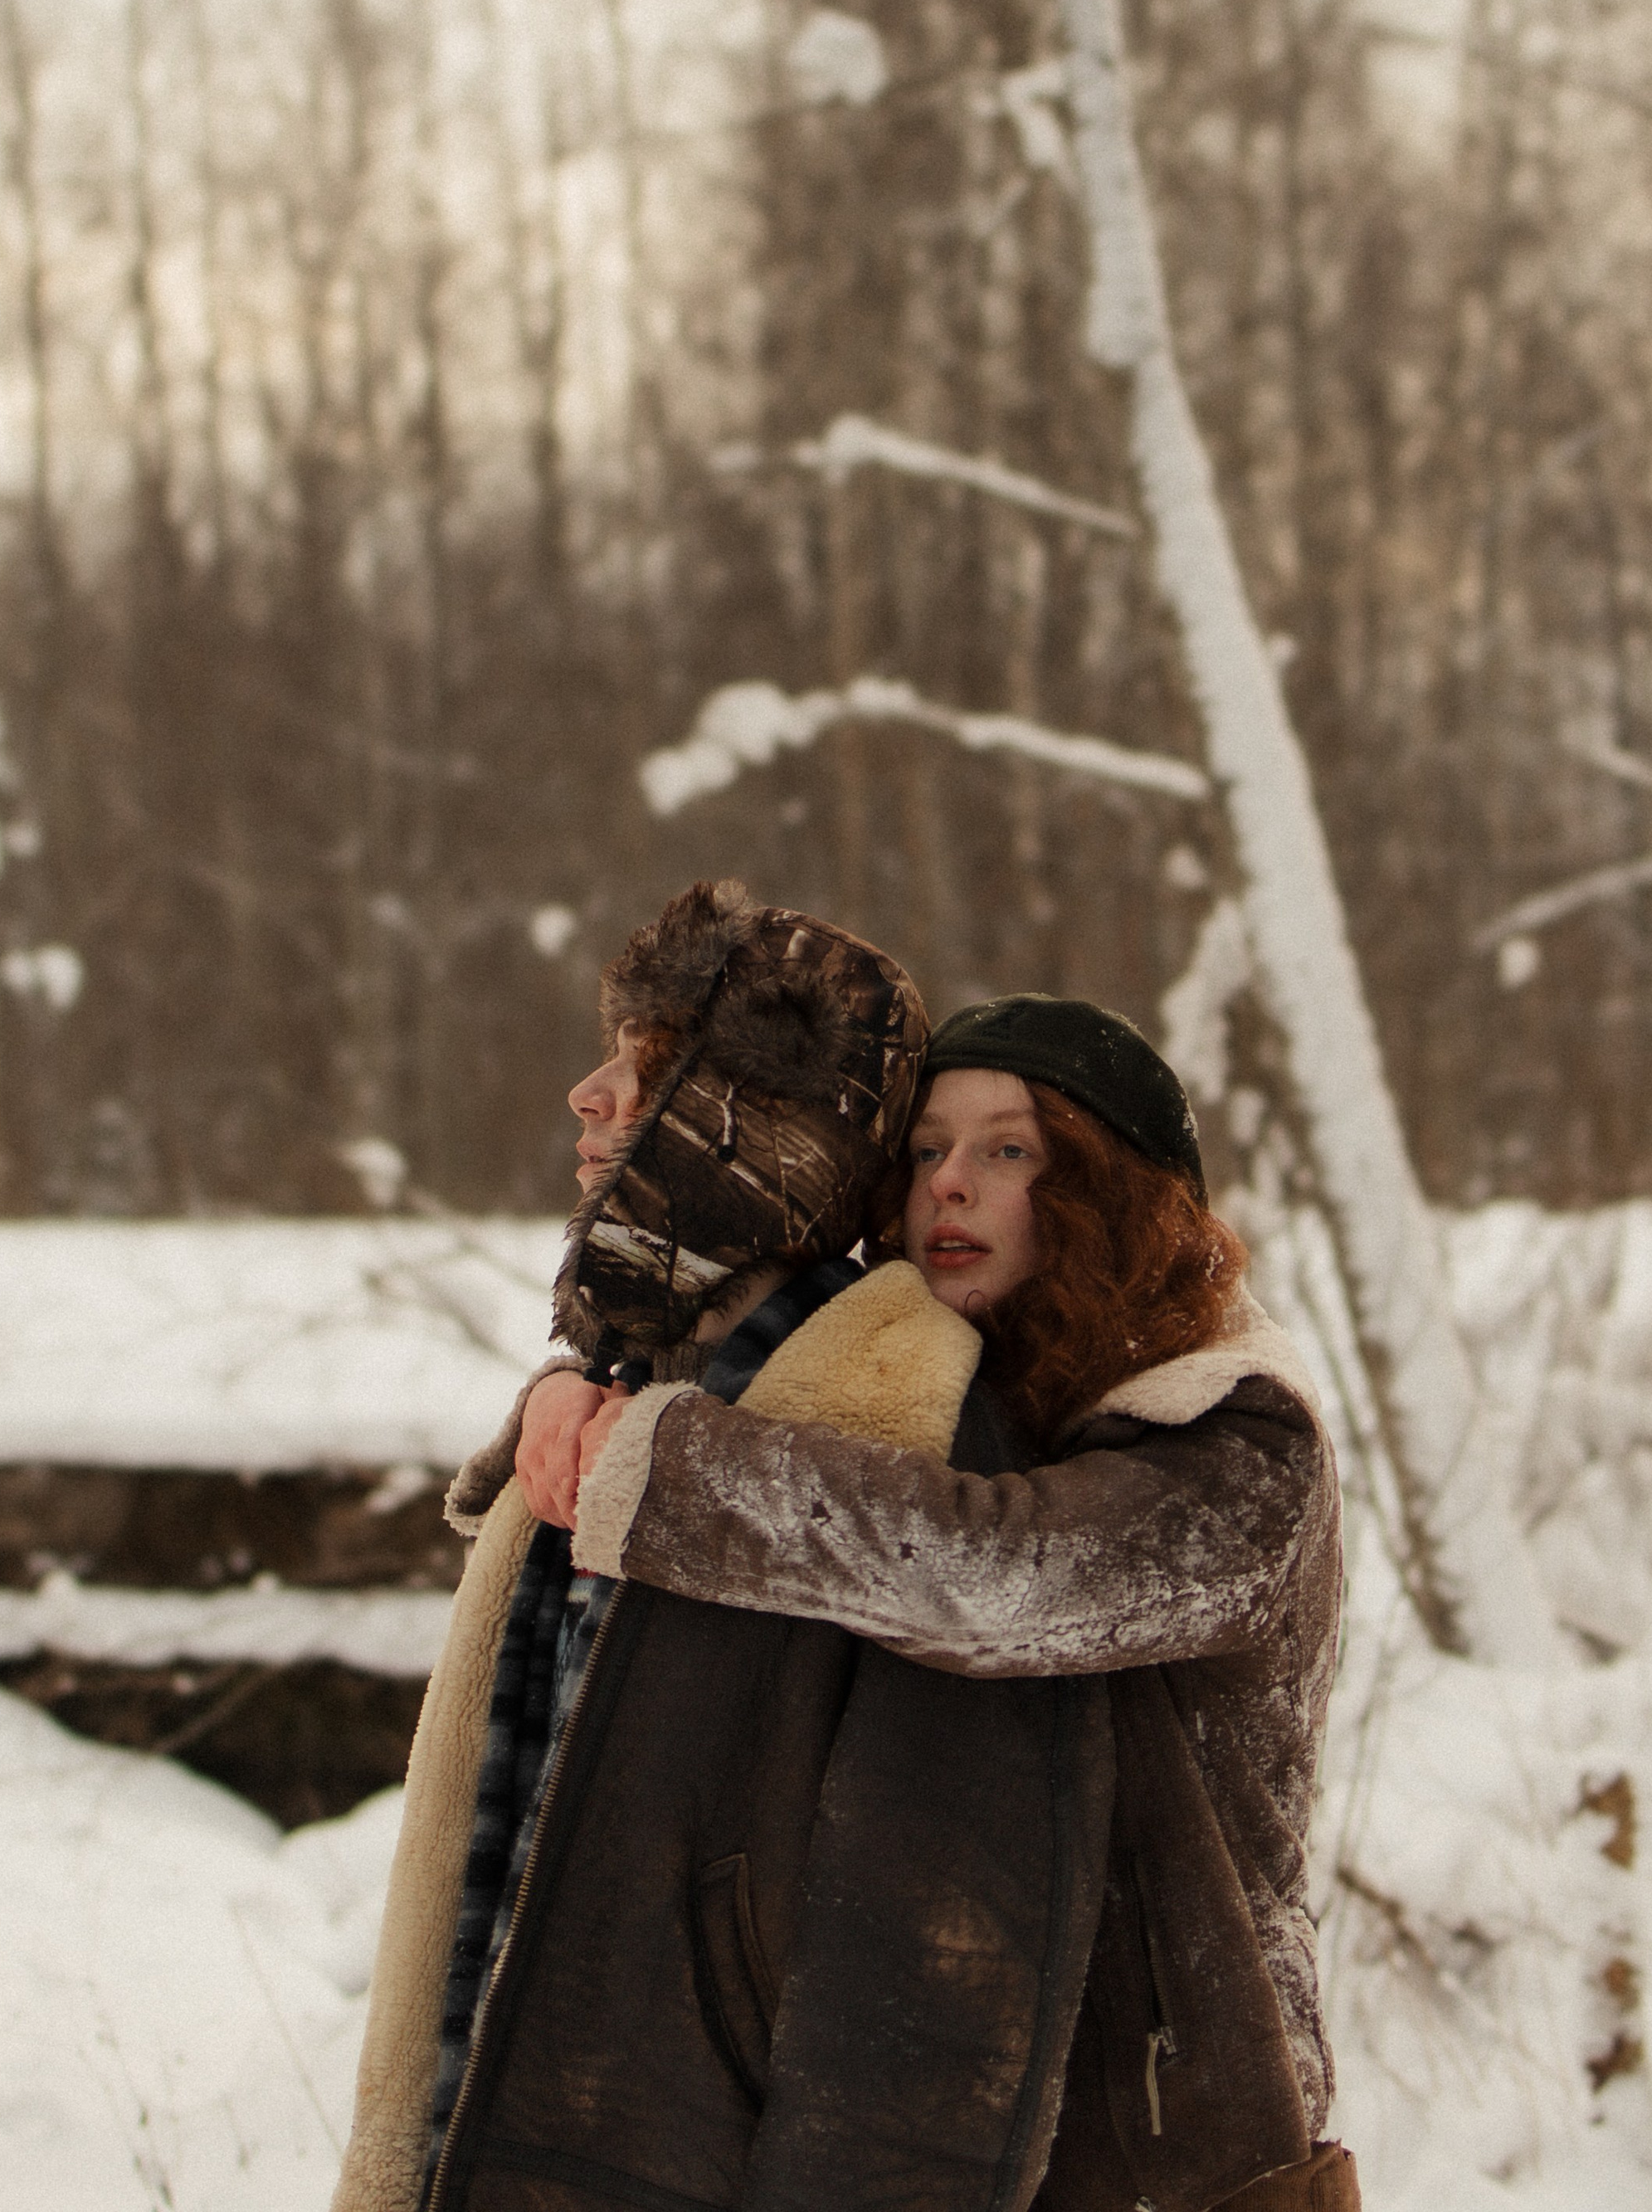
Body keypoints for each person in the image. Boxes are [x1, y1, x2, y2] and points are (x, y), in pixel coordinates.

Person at [334, 944, 1354, 2212]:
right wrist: (572, 1411)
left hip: (1184, 2132)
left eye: (1010, 1152)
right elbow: (803, 1426)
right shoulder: (987, 1391)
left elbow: (995, 1573)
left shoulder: (1240, 1442)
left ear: (1116, 1193)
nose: (951, 1189)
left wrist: (661, 1463)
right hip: (1001, 2097)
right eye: (926, 1152)